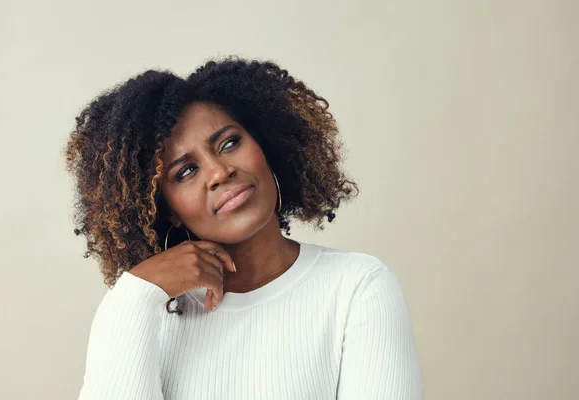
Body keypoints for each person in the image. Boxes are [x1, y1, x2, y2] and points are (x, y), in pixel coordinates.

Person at [64, 56, 424, 399]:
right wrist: (136, 295)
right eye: (186, 171)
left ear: (266, 145)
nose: (220, 172)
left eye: (229, 143)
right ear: (166, 209)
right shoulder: (140, 309)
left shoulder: (357, 287)